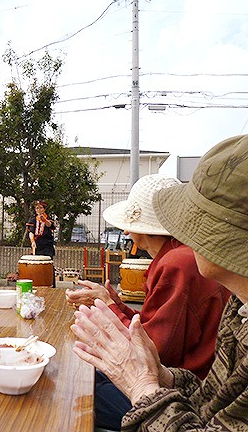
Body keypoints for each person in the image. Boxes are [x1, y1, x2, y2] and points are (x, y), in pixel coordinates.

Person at [71, 135, 248, 431]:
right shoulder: (239, 307)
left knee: (79, 391)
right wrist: (160, 376)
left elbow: (157, 344)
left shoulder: (177, 262)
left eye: (197, 221)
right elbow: (211, 396)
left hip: (174, 395)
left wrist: (142, 383)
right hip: (180, 389)